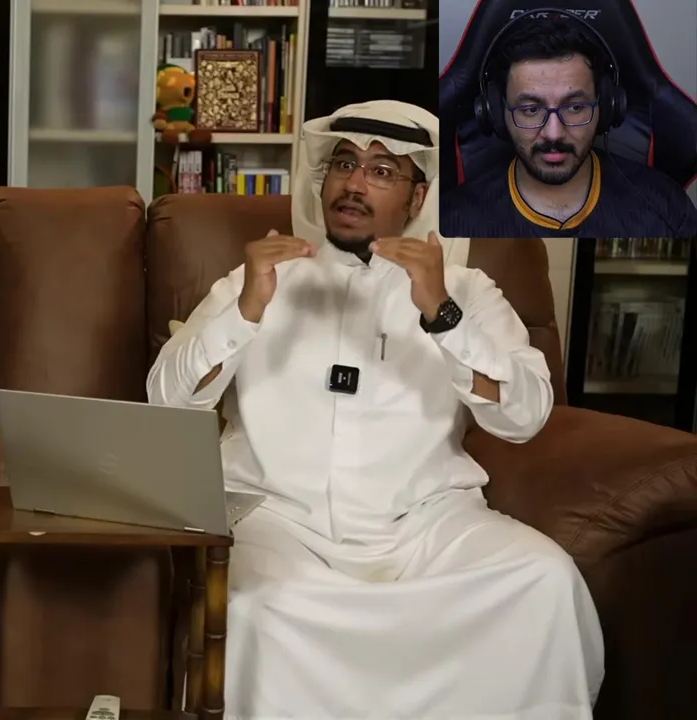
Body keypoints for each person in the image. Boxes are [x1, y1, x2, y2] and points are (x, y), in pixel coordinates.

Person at [148, 100, 604, 719]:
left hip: (426, 524)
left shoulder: (464, 291)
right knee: (257, 609)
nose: (355, 183)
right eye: (344, 164)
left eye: (383, 171)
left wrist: (442, 315)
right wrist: (247, 310)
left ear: (418, 197)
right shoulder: (256, 278)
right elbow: (166, 400)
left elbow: (524, 417)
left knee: (544, 580)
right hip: (281, 522)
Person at [441, 16, 697, 238]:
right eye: (531, 110)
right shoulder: (453, 220)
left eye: (574, 107)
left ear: (606, 107)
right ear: (496, 113)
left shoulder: (666, 209)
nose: (554, 133)